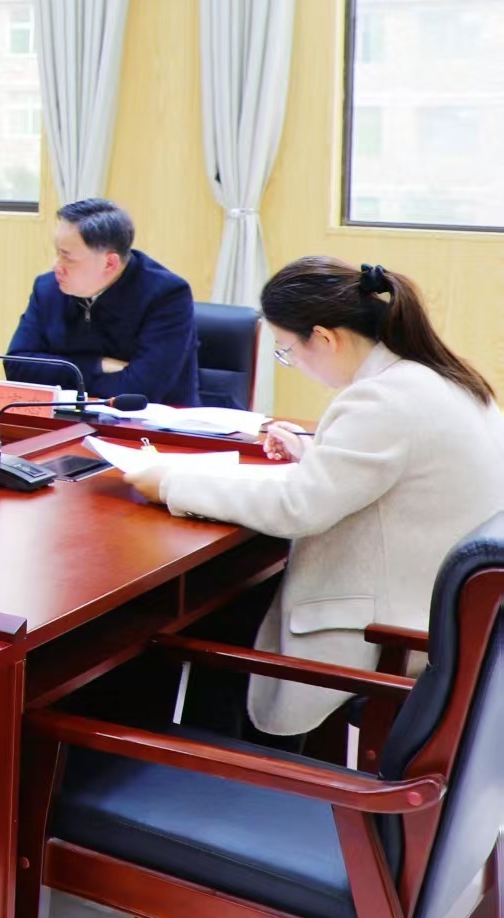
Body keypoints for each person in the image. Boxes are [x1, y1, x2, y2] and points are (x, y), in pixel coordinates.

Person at [126, 259, 504, 738]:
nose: (294, 363)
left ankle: (220, 766)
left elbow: (297, 507)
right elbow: (393, 473)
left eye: (287, 350)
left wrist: (170, 483)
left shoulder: (382, 400)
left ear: (324, 338)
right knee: (233, 604)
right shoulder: (442, 378)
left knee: (201, 621)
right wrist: (313, 454)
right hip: (447, 621)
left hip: (389, 633)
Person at [6, 198, 199, 406]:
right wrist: (97, 365)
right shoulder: (48, 288)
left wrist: (59, 374)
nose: (56, 266)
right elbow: (17, 366)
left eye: (67, 257)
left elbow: (140, 391)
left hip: (151, 422)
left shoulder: (166, 295)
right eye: (57, 253)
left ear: (109, 263)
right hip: (65, 416)